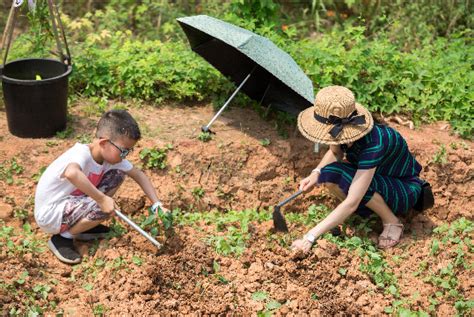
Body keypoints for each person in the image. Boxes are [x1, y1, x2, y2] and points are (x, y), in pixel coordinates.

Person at [291, 86, 426, 253]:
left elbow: (352, 202)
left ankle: (392, 221)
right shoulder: (340, 132)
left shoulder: (374, 143)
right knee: (329, 174)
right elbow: (335, 153)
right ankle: (367, 215)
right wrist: (316, 173)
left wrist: (310, 237)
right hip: (377, 178)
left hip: (404, 188)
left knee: (342, 177)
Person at [34, 110, 168, 264]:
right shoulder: (81, 154)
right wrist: (102, 199)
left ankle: (83, 226)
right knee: (103, 205)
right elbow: (71, 173)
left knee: (118, 174)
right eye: (124, 151)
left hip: (71, 204)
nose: (126, 156)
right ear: (104, 143)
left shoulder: (109, 158)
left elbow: (138, 175)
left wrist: (157, 204)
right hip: (50, 214)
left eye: (129, 151)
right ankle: (63, 239)